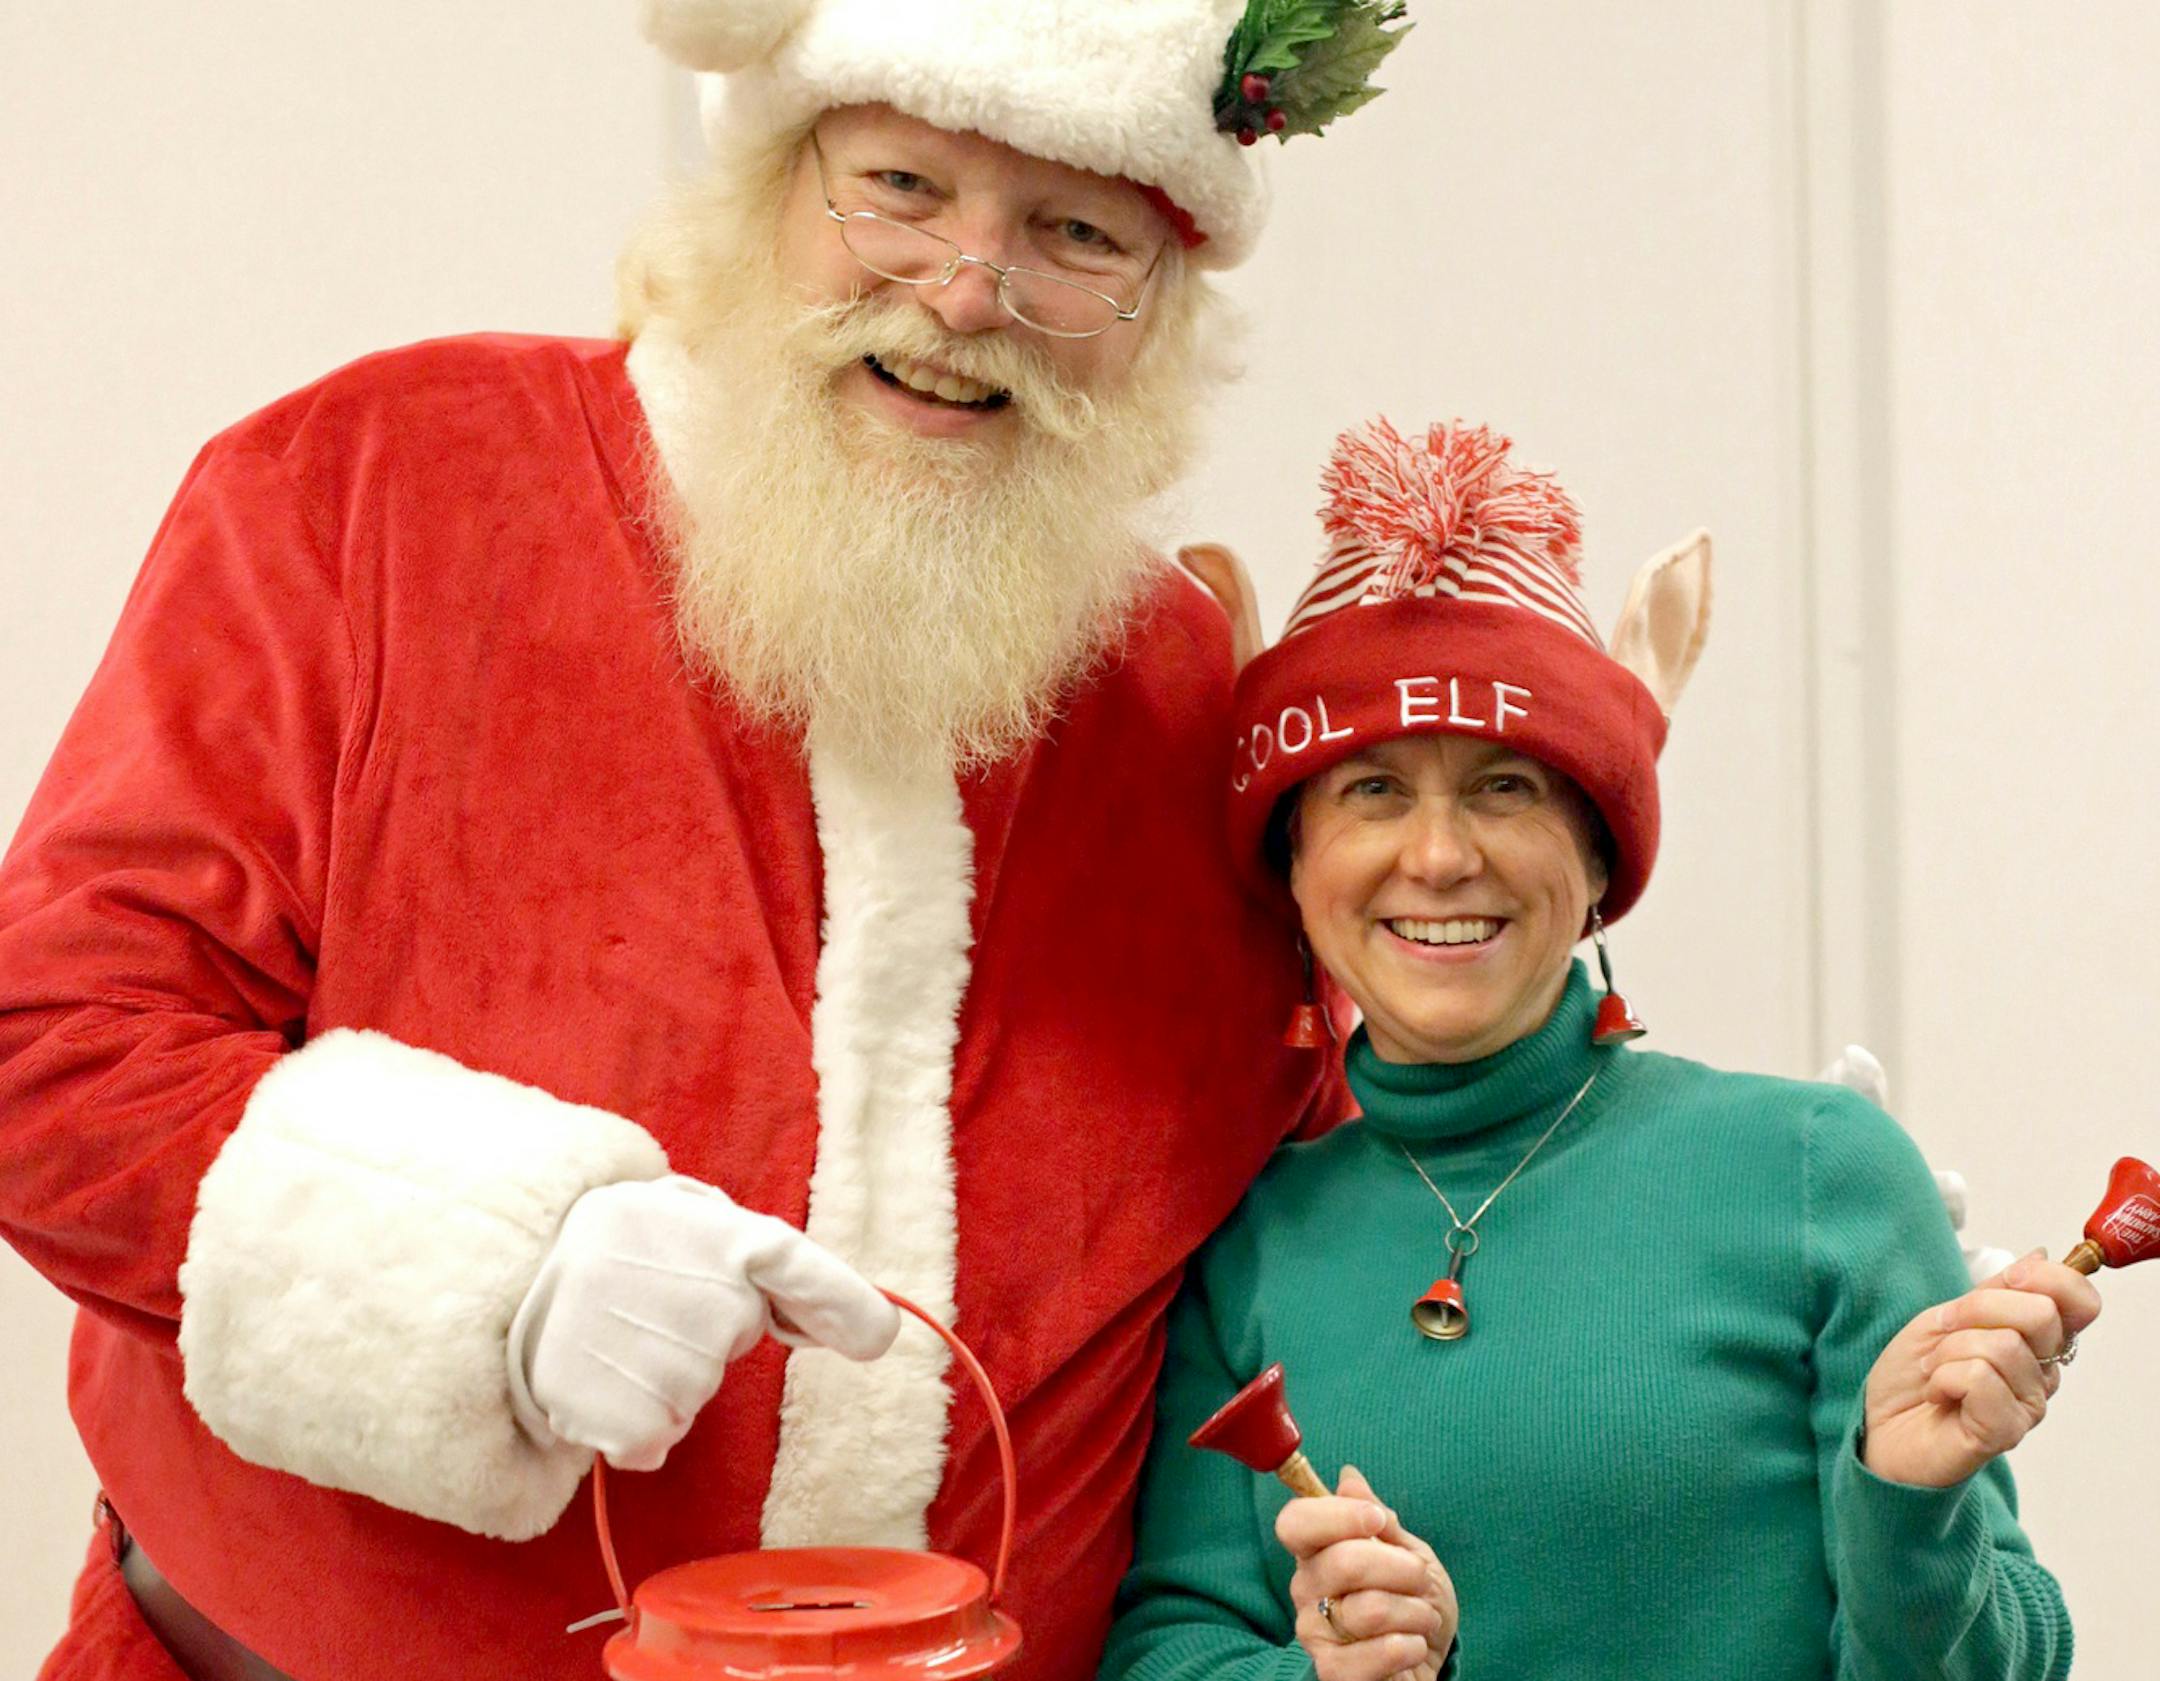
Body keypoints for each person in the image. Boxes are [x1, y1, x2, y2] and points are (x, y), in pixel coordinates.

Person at [0, 3, 1418, 1677]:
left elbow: (1300, 1206)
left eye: (1078, 234)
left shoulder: (1180, 683)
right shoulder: (372, 483)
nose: (970, 293)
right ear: (765, 186)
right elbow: (53, 1046)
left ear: (1163, 305)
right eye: (901, 188)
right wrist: (488, 1266)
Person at [1100, 418, 2096, 1681]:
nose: (1439, 855)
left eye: (1506, 786)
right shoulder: (1247, 1238)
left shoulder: (1819, 1172)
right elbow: (1165, 1647)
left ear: (1596, 859)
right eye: (1372, 790)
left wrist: (1906, 1508)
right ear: (1294, 866)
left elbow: (2011, 1657)